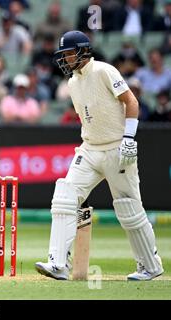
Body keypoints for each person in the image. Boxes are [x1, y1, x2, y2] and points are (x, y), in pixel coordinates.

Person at [35, 30, 164, 281]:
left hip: (117, 148)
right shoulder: (72, 81)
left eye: (70, 53)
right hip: (89, 149)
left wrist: (128, 138)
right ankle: (59, 263)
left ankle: (150, 266)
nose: (66, 59)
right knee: (65, 196)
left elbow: (131, 102)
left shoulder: (104, 70)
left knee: (129, 208)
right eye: (64, 55)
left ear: (83, 51)